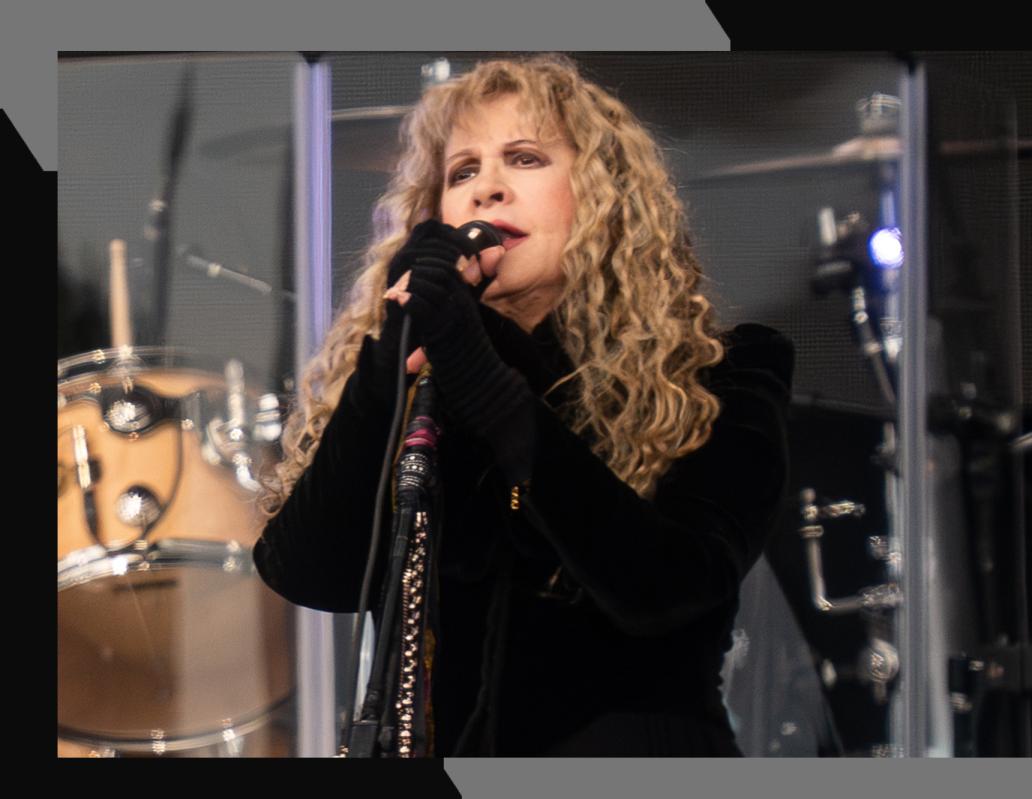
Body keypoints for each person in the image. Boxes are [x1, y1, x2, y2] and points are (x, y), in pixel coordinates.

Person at [254, 54, 794, 757]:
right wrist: (387, 365)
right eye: (462, 172)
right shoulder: (423, 385)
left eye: (525, 158)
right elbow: (307, 570)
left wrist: (482, 365)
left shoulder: (725, 372)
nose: (487, 189)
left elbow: (667, 588)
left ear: (601, 194)